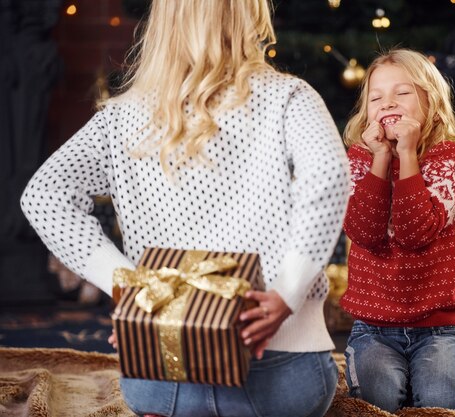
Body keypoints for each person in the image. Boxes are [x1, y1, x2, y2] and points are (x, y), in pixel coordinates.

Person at [20, 1, 350, 416]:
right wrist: (287, 292)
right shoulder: (289, 98)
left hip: (160, 373)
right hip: (280, 372)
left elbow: (43, 196)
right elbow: (331, 176)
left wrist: (128, 289)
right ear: (250, 16)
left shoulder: (120, 117)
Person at [340, 49, 455, 412]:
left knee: (442, 405)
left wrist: (407, 155)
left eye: (402, 93)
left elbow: (414, 232)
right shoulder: (358, 160)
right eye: (376, 97)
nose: (388, 103)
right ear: (366, 111)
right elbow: (363, 230)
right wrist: (381, 159)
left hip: (439, 328)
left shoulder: (448, 159)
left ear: (431, 104)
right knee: (376, 405)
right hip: (373, 329)